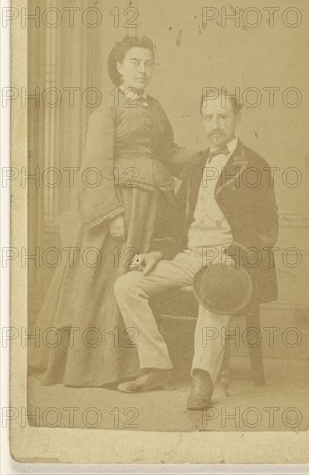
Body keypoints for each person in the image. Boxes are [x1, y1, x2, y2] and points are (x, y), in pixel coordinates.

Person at [29, 36, 198, 387]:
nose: (143, 70)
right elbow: (95, 166)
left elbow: (168, 151)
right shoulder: (108, 109)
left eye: (149, 63)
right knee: (107, 285)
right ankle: (105, 366)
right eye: (135, 62)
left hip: (153, 211)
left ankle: (145, 365)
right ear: (119, 68)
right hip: (119, 212)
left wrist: (205, 161)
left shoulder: (156, 108)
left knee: (142, 277)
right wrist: (113, 214)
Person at [114, 88, 279, 409]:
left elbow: (266, 229)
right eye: (209, 117)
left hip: (231, 260)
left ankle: (202, 378)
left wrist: (233, 254)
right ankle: (157, 367)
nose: (215, 125)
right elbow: (175, 222)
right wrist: (156, 252)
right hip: (188, 256)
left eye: (222, 117)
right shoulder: (196, 165)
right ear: (202, 120)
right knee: (127, 284)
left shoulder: (255, 166)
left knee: (215, 286)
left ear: (237, 118)